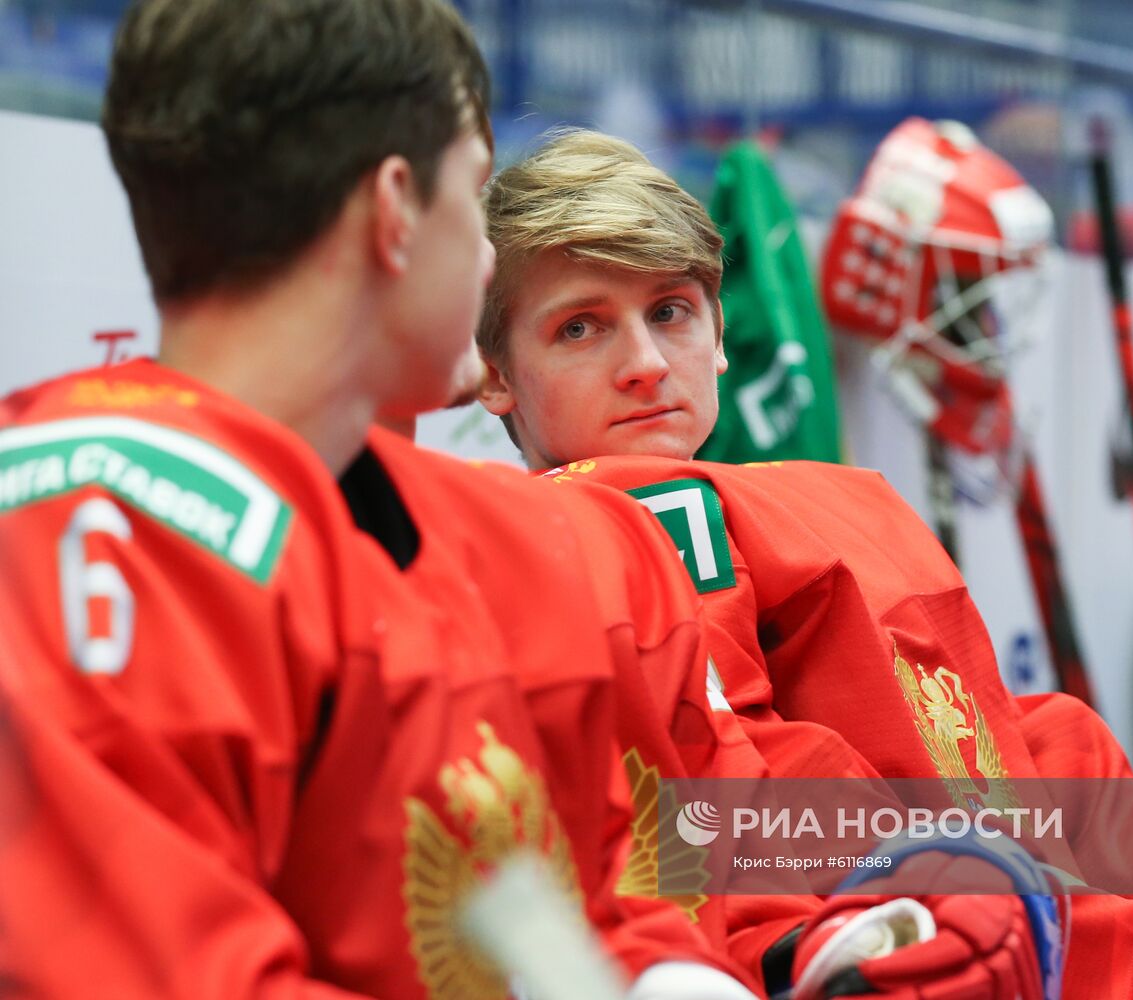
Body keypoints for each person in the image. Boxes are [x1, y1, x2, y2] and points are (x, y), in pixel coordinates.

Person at [473, 128, 1133, 999]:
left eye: (670, 312)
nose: (646, 364)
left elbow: (1027, 759)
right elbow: (758, 820)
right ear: (494, 376)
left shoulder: (822, 497)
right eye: (580, 328)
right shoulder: (605, 515)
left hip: (1054, 926)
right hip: (952, 953)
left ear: (719, 333)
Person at [0, 4, 758, 997]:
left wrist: (683, 970)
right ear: (395, 208)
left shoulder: (495, 535)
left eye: (670, 311)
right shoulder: (84, 518)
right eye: (476, 191)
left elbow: (619, 883)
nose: (485, 254)